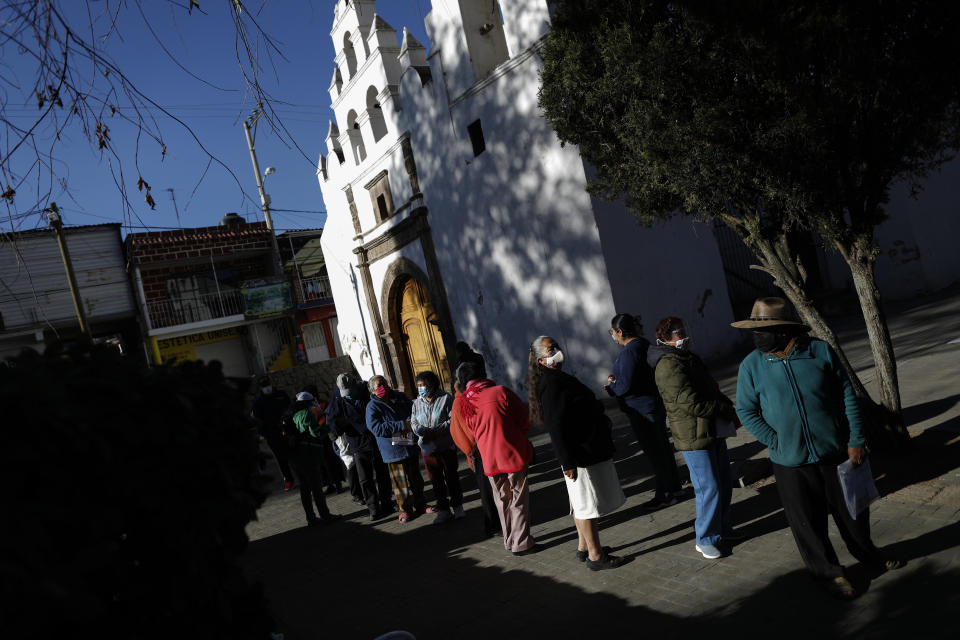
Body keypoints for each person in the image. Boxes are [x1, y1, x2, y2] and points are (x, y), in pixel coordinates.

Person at [733, 297, 904, 599]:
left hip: (835, 452)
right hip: (789, 462)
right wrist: (775, 440)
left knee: (853, 514)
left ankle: (869, 556)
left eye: (764, 330)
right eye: (754, 330)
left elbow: (847, 396)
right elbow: (746, 411)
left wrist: (855, 439)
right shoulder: (751, 366)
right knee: (807, 523)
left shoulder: (820, 352)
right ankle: (828, 573)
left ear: (785, 330)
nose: (757, 336)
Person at [529, 336, 626, 570]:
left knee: (579, 502)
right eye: (551, 350)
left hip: (583, 450)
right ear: (541, 360)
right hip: (578, 455)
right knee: (586, 505)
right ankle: (596, 556)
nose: (557, 352)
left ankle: (584, 546)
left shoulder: (556, 378)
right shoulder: (551, 383)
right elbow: (556, 426)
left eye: (557, 347)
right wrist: (567, 461)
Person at [653, 316, 740, 560]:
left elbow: (708, 388)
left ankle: (722, 529)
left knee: (722, 481)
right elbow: (688, 402)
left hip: (709, 429)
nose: (682, 336)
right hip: (693, 434)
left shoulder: (687, 358)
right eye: (677, 332)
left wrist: (723, 405)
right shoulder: (668, 365)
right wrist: (719, 408)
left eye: (683, 330)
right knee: (708, 487)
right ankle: (705, 538)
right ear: (665, 338)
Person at [604, 313, 684, 509]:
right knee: (662, 449)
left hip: (642, 410)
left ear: (620, 332)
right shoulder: (643, 344)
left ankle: (666, 493)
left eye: (612, 332)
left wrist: (611, 386)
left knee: (655, 453)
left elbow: (625, 385)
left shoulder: (629, 352)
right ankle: (674, 487)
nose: (613, 336)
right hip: (652, 405)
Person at [457, 361, 536, 556]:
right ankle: (521, 543)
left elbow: (471, 431)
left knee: (502, 500)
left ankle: (509, 540)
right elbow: (524, 420)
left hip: (488, 457)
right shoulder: (500, 392)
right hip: (512, 453)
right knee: (518, 499)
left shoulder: (465, 402)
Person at [326, 373, 394, 520]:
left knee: (382, 472)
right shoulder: (338, 398)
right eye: (346, 394)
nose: (348, 396)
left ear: (355, 385)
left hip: (375, 438)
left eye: (350, 392)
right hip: (357, 442)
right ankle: (373, 508)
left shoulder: (366, 390)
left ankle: (387, 503)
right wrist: (337, 429)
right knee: (365, 478)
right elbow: (331, 421)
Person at [366, 375, 430, 523]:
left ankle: (421, 504)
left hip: (408, 443)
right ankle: (404, 510)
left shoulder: (400, 397)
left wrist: (410, 422)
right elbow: (376, 428)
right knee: (400, 483)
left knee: (416, 479)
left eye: (384, 383)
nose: (383, 388)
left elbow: (413, 411)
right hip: (393, 449)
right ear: (372, 391)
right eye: (378, 386)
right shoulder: (372, 407)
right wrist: (401, 425)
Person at [449, 370, 501, 538]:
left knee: (491, 489)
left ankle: (497, 523)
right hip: (478, 452)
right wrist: (471, 450)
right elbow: (458, 433)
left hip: (482, 450)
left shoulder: (464, 400)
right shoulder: (459, 403)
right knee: (487, 492)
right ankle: (493, 525)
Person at [411, 370, 465, 524]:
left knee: (451, 477)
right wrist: (423, 432)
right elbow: (414, 423)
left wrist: (436, 432)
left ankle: (458, 506)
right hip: (428, 450)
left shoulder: (445, 398)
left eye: (424, 385)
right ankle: (443, 510)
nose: (421, 388)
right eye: (419, 385)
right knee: (436, 481)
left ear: (432, 385)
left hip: (445, 446)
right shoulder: (416, 403)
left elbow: (451, 421)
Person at [284, 391, 335, 526]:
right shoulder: (306, 414)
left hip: (296, 458)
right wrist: (327, 429)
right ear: (308, 402)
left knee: (305, 489)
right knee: (317, 488)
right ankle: (325, 515)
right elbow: (315, 432)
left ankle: (311, 518)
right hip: (308, 456)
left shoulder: (293, 416)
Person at [251, 376, 295, 491]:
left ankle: (302, 475)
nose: (267, 388)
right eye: (264, 386)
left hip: (287, 429)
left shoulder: (281, 394)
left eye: (268, 385)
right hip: (272, 434)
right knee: (280, 457)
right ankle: (289, 479)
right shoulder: (258, 402)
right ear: (261, 388)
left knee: (293, 452)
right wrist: (264, 434)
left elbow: (289, 406)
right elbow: (257, 420)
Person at [303, 383, 343, 495]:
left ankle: (337, 483)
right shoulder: (311, 407)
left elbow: (326, 419)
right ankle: (330, 484)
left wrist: (319, 427)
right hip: (317, 438)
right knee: (323, 464)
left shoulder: (322, 404)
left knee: (331, 462)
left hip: (326, 436)